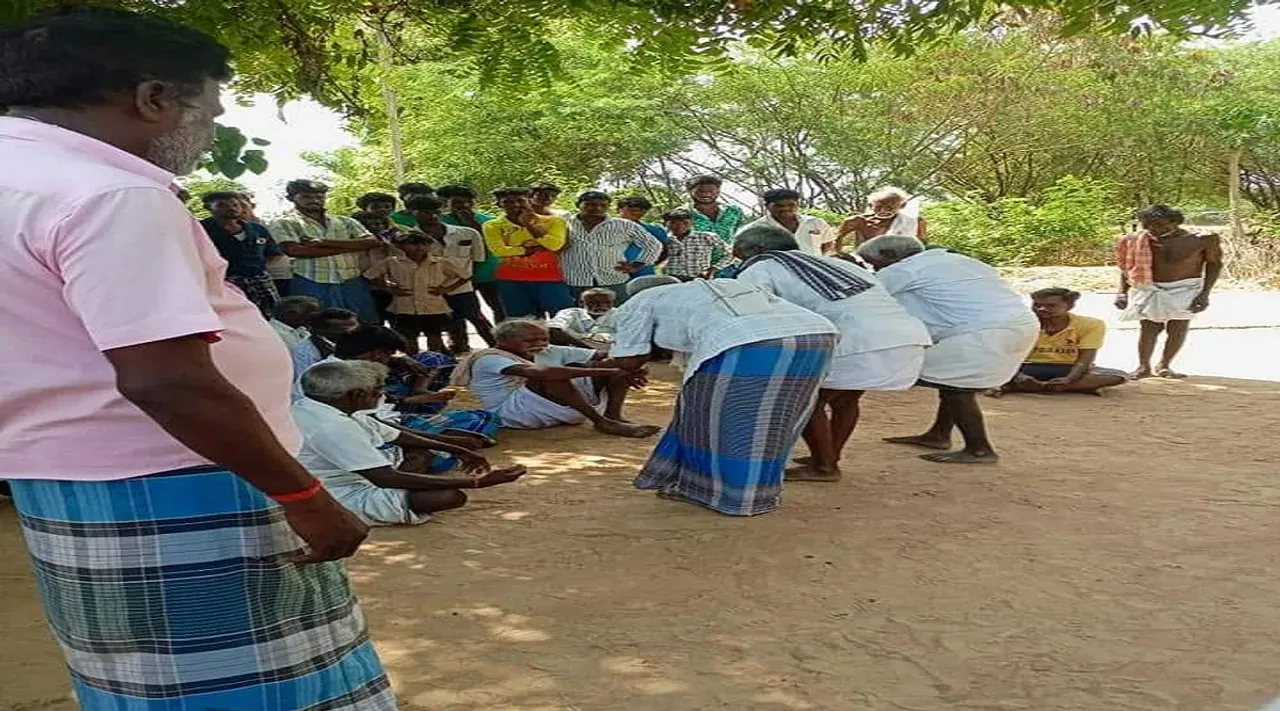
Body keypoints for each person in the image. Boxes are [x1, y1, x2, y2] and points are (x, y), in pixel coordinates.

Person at [0, 8, 392, 711]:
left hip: (66, 482)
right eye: (208, 112)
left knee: (144, 682)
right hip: (185, 482)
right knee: (260, 687)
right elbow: (168, 380)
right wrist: (305, 495)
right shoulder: (110, 193)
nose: (208, 134)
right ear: (152, 100)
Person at [606, 276, 838, 516]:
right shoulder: (716, 286)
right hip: (817, 335)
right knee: (775, 420)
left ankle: (725, 495)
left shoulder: (639, 301)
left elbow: (630, 359)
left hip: (745, 342)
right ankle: (758, 489)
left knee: (717, 420)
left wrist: (612, 365)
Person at [734, 224, 932, 481]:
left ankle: (824, 466)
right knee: (845, 400)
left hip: (857, 340)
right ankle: (828, 456)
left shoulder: (761, 268)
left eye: (738, 252)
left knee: (804, 399)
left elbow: (754, 310)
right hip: (904, 335)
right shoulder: (836, 264)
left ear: (757, 250)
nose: (737, 257)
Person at [856, 235, 1038, 464]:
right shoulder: (960, 261)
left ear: (890, 256)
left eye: (873, 263)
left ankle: (979, 449)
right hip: (1019, 324)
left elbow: (862, 293)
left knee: (955, 386)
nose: (874, 268)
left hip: (983, 331)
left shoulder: (905, 270)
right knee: (953, 381)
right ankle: (939, 434)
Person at [295, 360, 525, 526]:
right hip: (340, 492)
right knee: (450, 496)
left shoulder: (325, 408)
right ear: (356, 395)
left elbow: (398, 435)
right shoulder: (333, 426)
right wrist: (476, 482)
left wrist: (459, 449)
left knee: (420, 453)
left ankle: (412, 485)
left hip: (363, 476)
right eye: (376, 391)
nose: (382, 395)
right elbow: (383, 478)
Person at [451, 320, 658, 437]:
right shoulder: (490, 358)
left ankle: (613, 416)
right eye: (530, 340)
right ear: (504, 341)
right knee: (550, 375)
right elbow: (542, 374)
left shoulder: (548, 349)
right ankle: (602, 422)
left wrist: (633, 369)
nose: (539, 343)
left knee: (617, 364)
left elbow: (609, 357)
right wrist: (607, 372)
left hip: (555, 406)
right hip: (514, 414)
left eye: (543, 338)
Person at [1115, 204, 1223, 379]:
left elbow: (1214, 263)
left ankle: (1164, 365)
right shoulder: (1137, 240)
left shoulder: (1201, 239)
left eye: (1159, 224)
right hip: (1149, 287)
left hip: (1186, 288)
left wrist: (1205, 294)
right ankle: (1143, 367)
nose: (1153, 229)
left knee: (1178, 327)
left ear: (1175, 223)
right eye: (1148, 224)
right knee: (1149, 327)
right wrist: (1122, 292)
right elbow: (1128, 267)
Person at [268, 179, 383, 323]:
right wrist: (351, 247)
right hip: (311, 281)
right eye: (307, 197)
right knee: (319, 327)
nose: (314, 200)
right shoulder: (285, 223)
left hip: (351, 280)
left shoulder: (346, 221)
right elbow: (294, 250)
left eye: (319, 197)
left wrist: (323, 243)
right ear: (291, 198)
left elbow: (372, 242)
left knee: (364, 326)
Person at [405, 194, 496, 350]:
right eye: (425, 212)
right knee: (434, 327)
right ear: (411, 213)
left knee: (478, 318)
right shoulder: (407, 239)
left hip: (463, 286)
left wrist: (458, 283)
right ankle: (447, 359)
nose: (433, 216)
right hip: (431, 290)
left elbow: (477, 261)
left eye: (436, 211)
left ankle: (501, 350)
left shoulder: (468, 233)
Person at [996, 288, 1128, 396]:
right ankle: (1070, 388)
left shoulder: (1091, 324)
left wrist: (1069, 379)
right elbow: (1005, 356)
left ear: (1069, 306)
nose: (1041, 309)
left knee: (1118, 376)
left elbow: (1086, 358)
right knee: (994, 370)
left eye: (1051, 306)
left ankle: (1026, 387)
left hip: (1068, 368)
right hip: (1026, 367)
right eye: (1037, 305)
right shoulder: (1021, 324)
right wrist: (1019, 375)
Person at [482, 186, 575, 318]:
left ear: (529, 201)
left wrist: (529, 224)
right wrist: (531, 249)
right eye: (508, 202)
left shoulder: (555, 221)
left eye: (520, 200)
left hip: (549, 278)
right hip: (512, 279)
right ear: (499, 205)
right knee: (523, 322)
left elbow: (554, 245)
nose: (515, 205)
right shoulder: (491, 225)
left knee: (564, 318)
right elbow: (499, 251)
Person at [364, 232, 464, 355]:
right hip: (404, 307)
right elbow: (370, 276)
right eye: (413, 244)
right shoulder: (391, 262)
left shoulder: (440, 262)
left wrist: (446, 289)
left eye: (424, 244)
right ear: (401, 246)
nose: (419, 248)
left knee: (434, 336)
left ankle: (434, 361)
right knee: (408, 337)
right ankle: (413, 362)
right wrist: (388, 288)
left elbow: (464, 276)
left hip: (433, 307)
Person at [561, 190, 664, 302]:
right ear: (578, 205)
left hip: (613, 281)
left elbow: (653, 245)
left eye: (603, 205)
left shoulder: (624, 225)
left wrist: (637, 264)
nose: (597, 208)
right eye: (590, 204)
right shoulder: (563, 222)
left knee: (617, 315)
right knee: (577, 315)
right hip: (574, 281)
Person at [200, 190, 284, 316]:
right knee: (234, 316)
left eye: (235, 205)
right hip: (224, 281)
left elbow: (273, 254)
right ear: (209, 207)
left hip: (259, 280)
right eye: (222, 205)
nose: (231, 208)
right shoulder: (201, 230)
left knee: (272, 315)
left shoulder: (257, 229)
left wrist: (257, 269)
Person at [439, 184, 505, 321]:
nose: (464, 205)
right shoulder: (441, 222)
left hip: (489, 273)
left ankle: (501, 338)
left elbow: (492, 244)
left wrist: (472, 223)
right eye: (457, 202)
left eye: (468, 202)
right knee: (466, 313)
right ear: (447, 203)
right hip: (458, 276)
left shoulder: (488, 221)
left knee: (500, 308)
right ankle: (460, 342)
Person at [739, 188, 834, 256]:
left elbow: (827, 244)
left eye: (791, 205)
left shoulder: (816, 223)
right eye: (778, 206)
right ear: (767, 206)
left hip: (815, 270)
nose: (785, 208)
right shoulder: (756, 229)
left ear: (797, 205)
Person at [837, 187, 928, 249]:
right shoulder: (856, 221)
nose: (883, 210)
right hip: (865, 263)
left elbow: (922, 244)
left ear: (902, 205)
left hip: (903, 263)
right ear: (870, 205)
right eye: (878, 207)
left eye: (889, 207)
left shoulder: (915, 222)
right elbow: (836, 239)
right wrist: (842, 255)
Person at [290, 307, 361, 384]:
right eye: (346, 330)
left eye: (356, 327)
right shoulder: (302, 351)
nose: (354, 332)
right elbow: (306, 382)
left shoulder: (364, 338)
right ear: (320, 331)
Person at [661, 209, 734, 280]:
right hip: (671, 279)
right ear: (666, 224)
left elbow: (731, 253)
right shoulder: (664, 240)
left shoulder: (707, 237)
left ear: (692, 223)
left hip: (699, 279)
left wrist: (713, 269)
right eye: (673, 223)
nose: (680, 226)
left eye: (685, 222)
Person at [684, 174, 748, 247]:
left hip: (729, 257)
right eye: (700, 191)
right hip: (694, 257)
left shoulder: (733, 211)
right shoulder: (682, 213)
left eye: (711, 191)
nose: (706, 194)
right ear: (690, 192)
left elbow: (741, 235)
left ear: (718, 191)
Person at [616, 195, 670, 278]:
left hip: (644, 274)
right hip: (614, 274)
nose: (637, 212)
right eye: (632, 209)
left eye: (641, 210)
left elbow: (665, 251)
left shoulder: (655, 230)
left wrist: (642, 265)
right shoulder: (605, 229)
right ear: (619, 209)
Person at [548, 287, 618, 349]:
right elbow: (554, 329)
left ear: (613, 302)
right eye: (594, 302)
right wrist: (586, 347)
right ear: (581, 303)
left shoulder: (620, 314)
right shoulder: (569, 313)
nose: (601, 306)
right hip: (576, 351)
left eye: (607, 302)